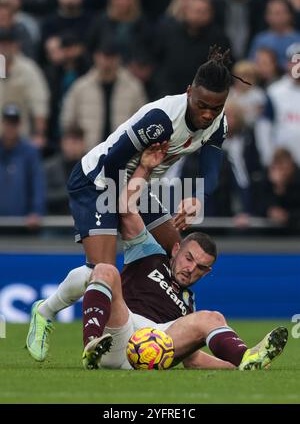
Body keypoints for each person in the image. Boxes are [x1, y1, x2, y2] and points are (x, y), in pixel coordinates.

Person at [26, 46, 234, 361]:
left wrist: (197, 196)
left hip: (138, 182)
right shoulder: (162, 119)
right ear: (189, 92)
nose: (207, 114)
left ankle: (154, 327)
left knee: (176, 251)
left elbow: (212, 170)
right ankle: (45, 312)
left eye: (215, 108)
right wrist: (124, 209)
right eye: (202, 105)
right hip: (98, 180)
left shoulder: (218, 124)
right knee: (102, 269)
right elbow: (112, 163)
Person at [26, 142, 288, 370]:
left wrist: (232, 367)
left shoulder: (189, 305)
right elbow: (127, 209)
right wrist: (145, 169)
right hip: (120, 332)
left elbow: (193, 360)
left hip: (157, 347)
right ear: (176, 249)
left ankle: (246, 358)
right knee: (104, 270)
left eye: (200, 267)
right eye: (188, 258)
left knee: (213, 318)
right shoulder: (149, 253)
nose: (190, 269)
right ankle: (90, 345)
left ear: (207, 272)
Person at [0, 103, 46, 228]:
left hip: (23, 224)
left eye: (14, 123)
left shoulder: (30, 152)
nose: (11, 127)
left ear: (19, 124)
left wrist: (36, 211)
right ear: (3, 123)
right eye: (8, 122)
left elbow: (37, 183)